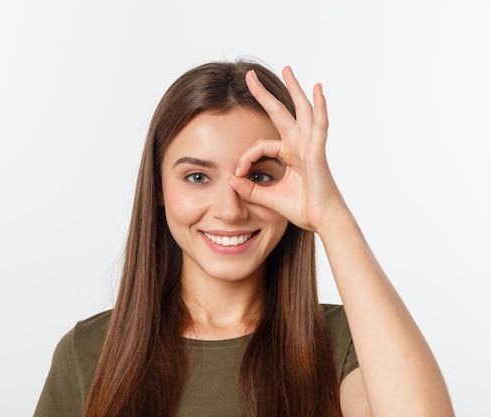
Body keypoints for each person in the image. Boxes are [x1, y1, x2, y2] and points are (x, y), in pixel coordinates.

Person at [34, 60, 455, 417]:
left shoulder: (347, 345)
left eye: (258, 176)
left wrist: (330, 216)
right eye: (197, 177)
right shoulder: (88, 354)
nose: (230, 210)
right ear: (159, 189)